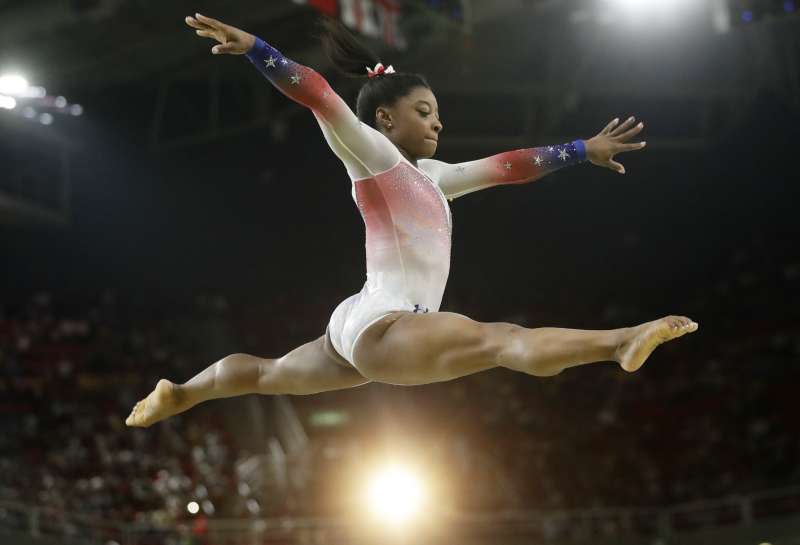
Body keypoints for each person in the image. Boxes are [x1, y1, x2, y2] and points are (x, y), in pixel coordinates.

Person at [126, 13, 698, 428]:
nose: (437, 123)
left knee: (268, 374)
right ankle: (619, 342)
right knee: (500, 340)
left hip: (360, 321)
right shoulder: (373, 154)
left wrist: (579, 148)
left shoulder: (435, 178)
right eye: (423, 112)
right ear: (383, 118)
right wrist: (258, 48)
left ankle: (180, 394)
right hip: (385, 324)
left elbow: (506, 167)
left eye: (439, 115)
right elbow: (321, 95)